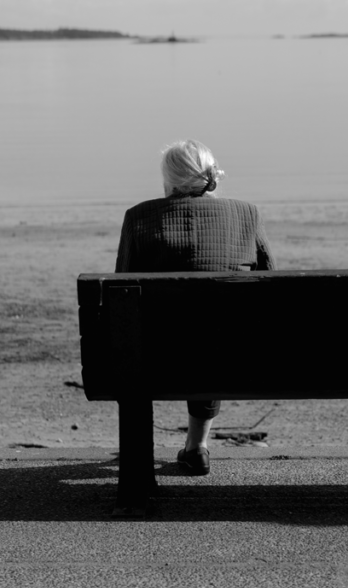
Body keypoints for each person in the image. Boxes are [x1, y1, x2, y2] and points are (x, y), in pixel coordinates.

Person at [115, 139, 276, 476]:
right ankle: (197, 446)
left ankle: (142, 455)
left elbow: (122, 295)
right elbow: (270, 285)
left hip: (157, 358)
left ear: (168, 180)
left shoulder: (138, 218)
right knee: (214, 333)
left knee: (171, 334)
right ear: (211, 176)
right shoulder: (247, 214)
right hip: (234, 355)